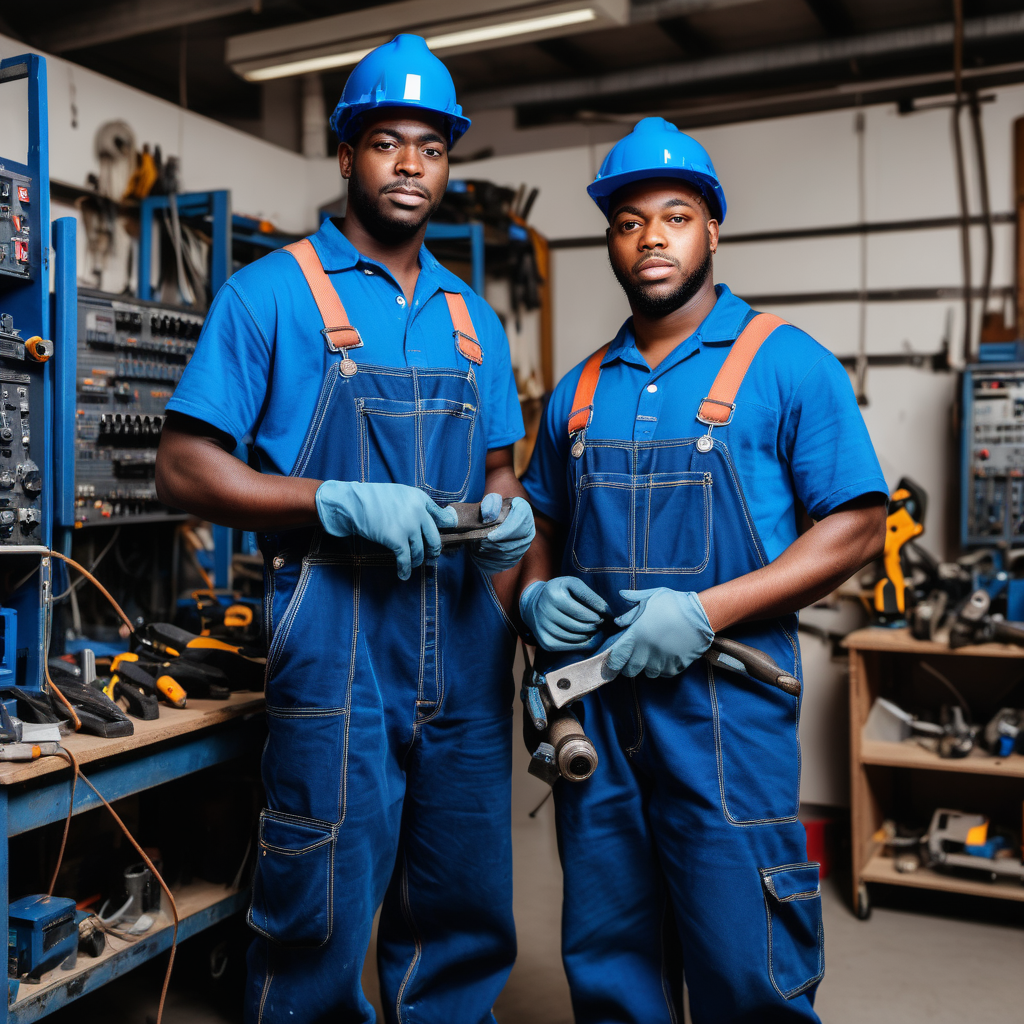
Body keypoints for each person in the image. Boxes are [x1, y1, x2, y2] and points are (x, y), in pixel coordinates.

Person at [156, 35, 534, 1024]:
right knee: (314, 904)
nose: (410, 164)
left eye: (431, 146)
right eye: (386, 141)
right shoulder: (268, 294)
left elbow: (500, 470)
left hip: (463, 648)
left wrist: (508, 519)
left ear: (449, 163)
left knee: (462, 906)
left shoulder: (471, 316)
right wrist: (331, 500)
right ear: (346, 156)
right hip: (336, 643)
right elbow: (182, 464)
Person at [517, 117, 887, 1023]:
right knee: (611, 967)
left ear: (712, 230)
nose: (651, 237)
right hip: (599, 723)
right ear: (610, 237)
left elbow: (857, 526)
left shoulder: (788, 364)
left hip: (728, 718)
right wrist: (533, 594)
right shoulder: (581, 386)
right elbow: (540, 522)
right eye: (629, 219)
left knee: (746, 969)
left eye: (675, 215)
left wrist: (709, 610)